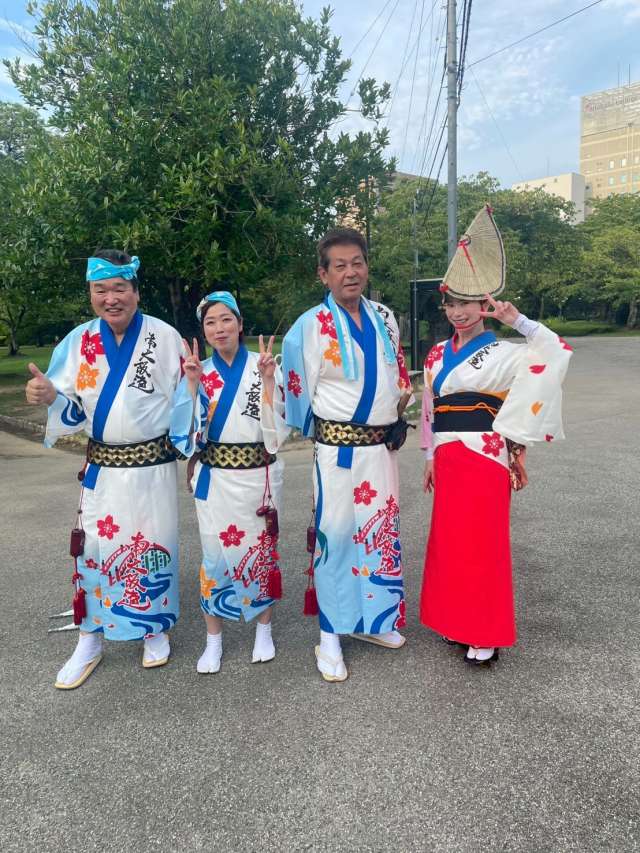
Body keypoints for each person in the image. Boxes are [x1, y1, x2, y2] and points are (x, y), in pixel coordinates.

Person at [420, 205, 572, 666]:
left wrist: (519, 321)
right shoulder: (435, 354)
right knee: (450, 543)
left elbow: (556, 351)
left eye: (466, 303)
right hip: (448, 455)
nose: (457, 312)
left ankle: (484, 631)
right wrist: (428, 456)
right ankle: (455, 621)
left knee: (482, 545)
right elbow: (430, 409)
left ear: (483, 306)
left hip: (484, 455)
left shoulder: (507, 352)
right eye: (450, 304)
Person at [25, 250, 186, 689]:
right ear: (91, 293)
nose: (111, 298)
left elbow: (187, 401)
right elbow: (71, 408)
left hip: (153, 468)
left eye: (120, 288)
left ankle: (153, 627)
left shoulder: (165, 337)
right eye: (101, 290)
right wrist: (49, 396)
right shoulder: (78, 342)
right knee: (95, 549)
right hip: (103, 467)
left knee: (154, 543)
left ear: (136, 291)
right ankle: (90, 638)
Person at [282, 227, 414, 683]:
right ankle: (330, 636)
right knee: (336, 538)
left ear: (367, 267)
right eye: (339, 266)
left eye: (357, 262)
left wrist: (397, 412)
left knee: (379, 534)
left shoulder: (385, 316)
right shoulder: (307, 328)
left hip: (381, 450)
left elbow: (398, 373)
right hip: (337, 452)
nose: (350, 272)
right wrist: (325, 434)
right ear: (324, 274)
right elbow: (297, 397)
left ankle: (375, 621)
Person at [170, 291, 289, 674]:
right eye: (210, 322)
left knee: (262, 553)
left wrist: (268, 381)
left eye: (226, 319)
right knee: (214, 558)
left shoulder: (264, 364)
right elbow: (184, 438)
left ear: (240, 323)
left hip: (259, 477)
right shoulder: (197, 370)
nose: (219, 328)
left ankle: (264, 631)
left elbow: (279, 431)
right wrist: (191, 386)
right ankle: (214, 639)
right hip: (216, 478)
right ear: (203, 331)